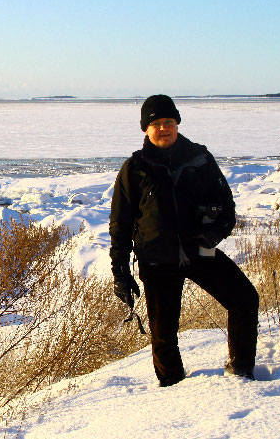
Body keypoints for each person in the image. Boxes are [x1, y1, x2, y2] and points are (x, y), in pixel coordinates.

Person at [109, 94, 259, 386]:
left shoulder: (199, 158)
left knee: (245, 299)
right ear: (145, 129)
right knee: (164, 335)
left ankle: (241, 370)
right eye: (156, 124)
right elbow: (120, 226)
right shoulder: (134, 169)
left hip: (200, 250)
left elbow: (227, 207)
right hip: (157, 259)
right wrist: (121, 274)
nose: (163, 128)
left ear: (177, 123)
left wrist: (213, 234)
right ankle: (173, 388)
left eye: (169, 122)